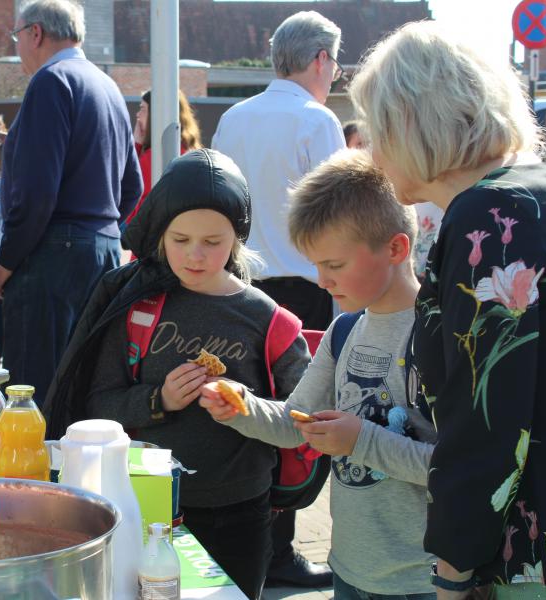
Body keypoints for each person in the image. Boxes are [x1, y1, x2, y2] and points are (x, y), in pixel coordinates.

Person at [45, 149, 311, 598]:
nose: (195, 255)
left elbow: (306, 418)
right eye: (180, 239)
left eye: (213, 241)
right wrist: (158, 399)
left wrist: (246, 407)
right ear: (159, 235)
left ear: (237, 240)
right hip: (148, 508)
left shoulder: (268, 320)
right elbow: (96, 406)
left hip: (242, 511)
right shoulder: (136, 304)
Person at [350, 21, 546, 598]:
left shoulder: (487, 216)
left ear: (410, 121)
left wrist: (453, 569)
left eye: (376, 128)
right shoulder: (534, 190)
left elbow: (488, 416)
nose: (372, 151)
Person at [200, 149, 437, 598]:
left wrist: (360, 440)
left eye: (335, 265)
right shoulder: (344, 330)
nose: (322, 281)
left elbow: (454, 465)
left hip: (420, 580)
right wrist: (239, 406)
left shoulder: (438, 336)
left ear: (395, 248)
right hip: (348, 570)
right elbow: (296, 424)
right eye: (316, 265)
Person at [211, 10, 345, 587]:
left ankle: (244, 541)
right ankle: (281, 551)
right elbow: (339, 216)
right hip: (302, 290)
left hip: (239, 281)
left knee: (243, 410)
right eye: (335, 62)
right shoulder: (318, 121)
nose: (335, 73)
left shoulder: (234, 118)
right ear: (319, 59)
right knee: (293, 419)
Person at [0, 0, 142, 407]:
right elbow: (133, 186)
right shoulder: (107, 86)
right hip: (103, 251)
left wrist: (6, 261)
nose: (19, 47)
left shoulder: (51, 81)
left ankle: (40, 474)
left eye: (18, 36)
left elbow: (37, 190)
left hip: (52, 257)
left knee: (34, 395)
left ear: (36, 33)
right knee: (89, 386)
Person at [126, 88, 202, 223]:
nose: (138, 115)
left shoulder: (153, 158)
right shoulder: (191, 151)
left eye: (142, 109)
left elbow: (130, 210)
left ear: (155, 113)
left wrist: (136, 147)